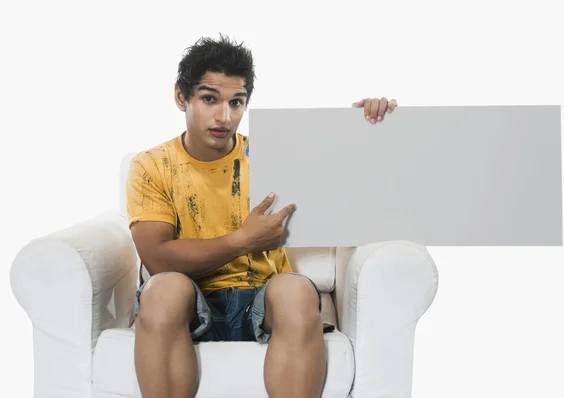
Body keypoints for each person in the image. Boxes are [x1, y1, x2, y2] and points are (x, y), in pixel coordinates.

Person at [126, 34, 397, 398]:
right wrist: (243, 241)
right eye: (210, 99)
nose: (225, 116)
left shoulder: (274, 153)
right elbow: (157, 259)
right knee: (164, 290)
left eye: (236, 102)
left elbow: (356, 186)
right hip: (188, 303)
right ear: (181, 97)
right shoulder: (151, 165)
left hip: (263, 301)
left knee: (296, 290)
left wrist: (369, 129)